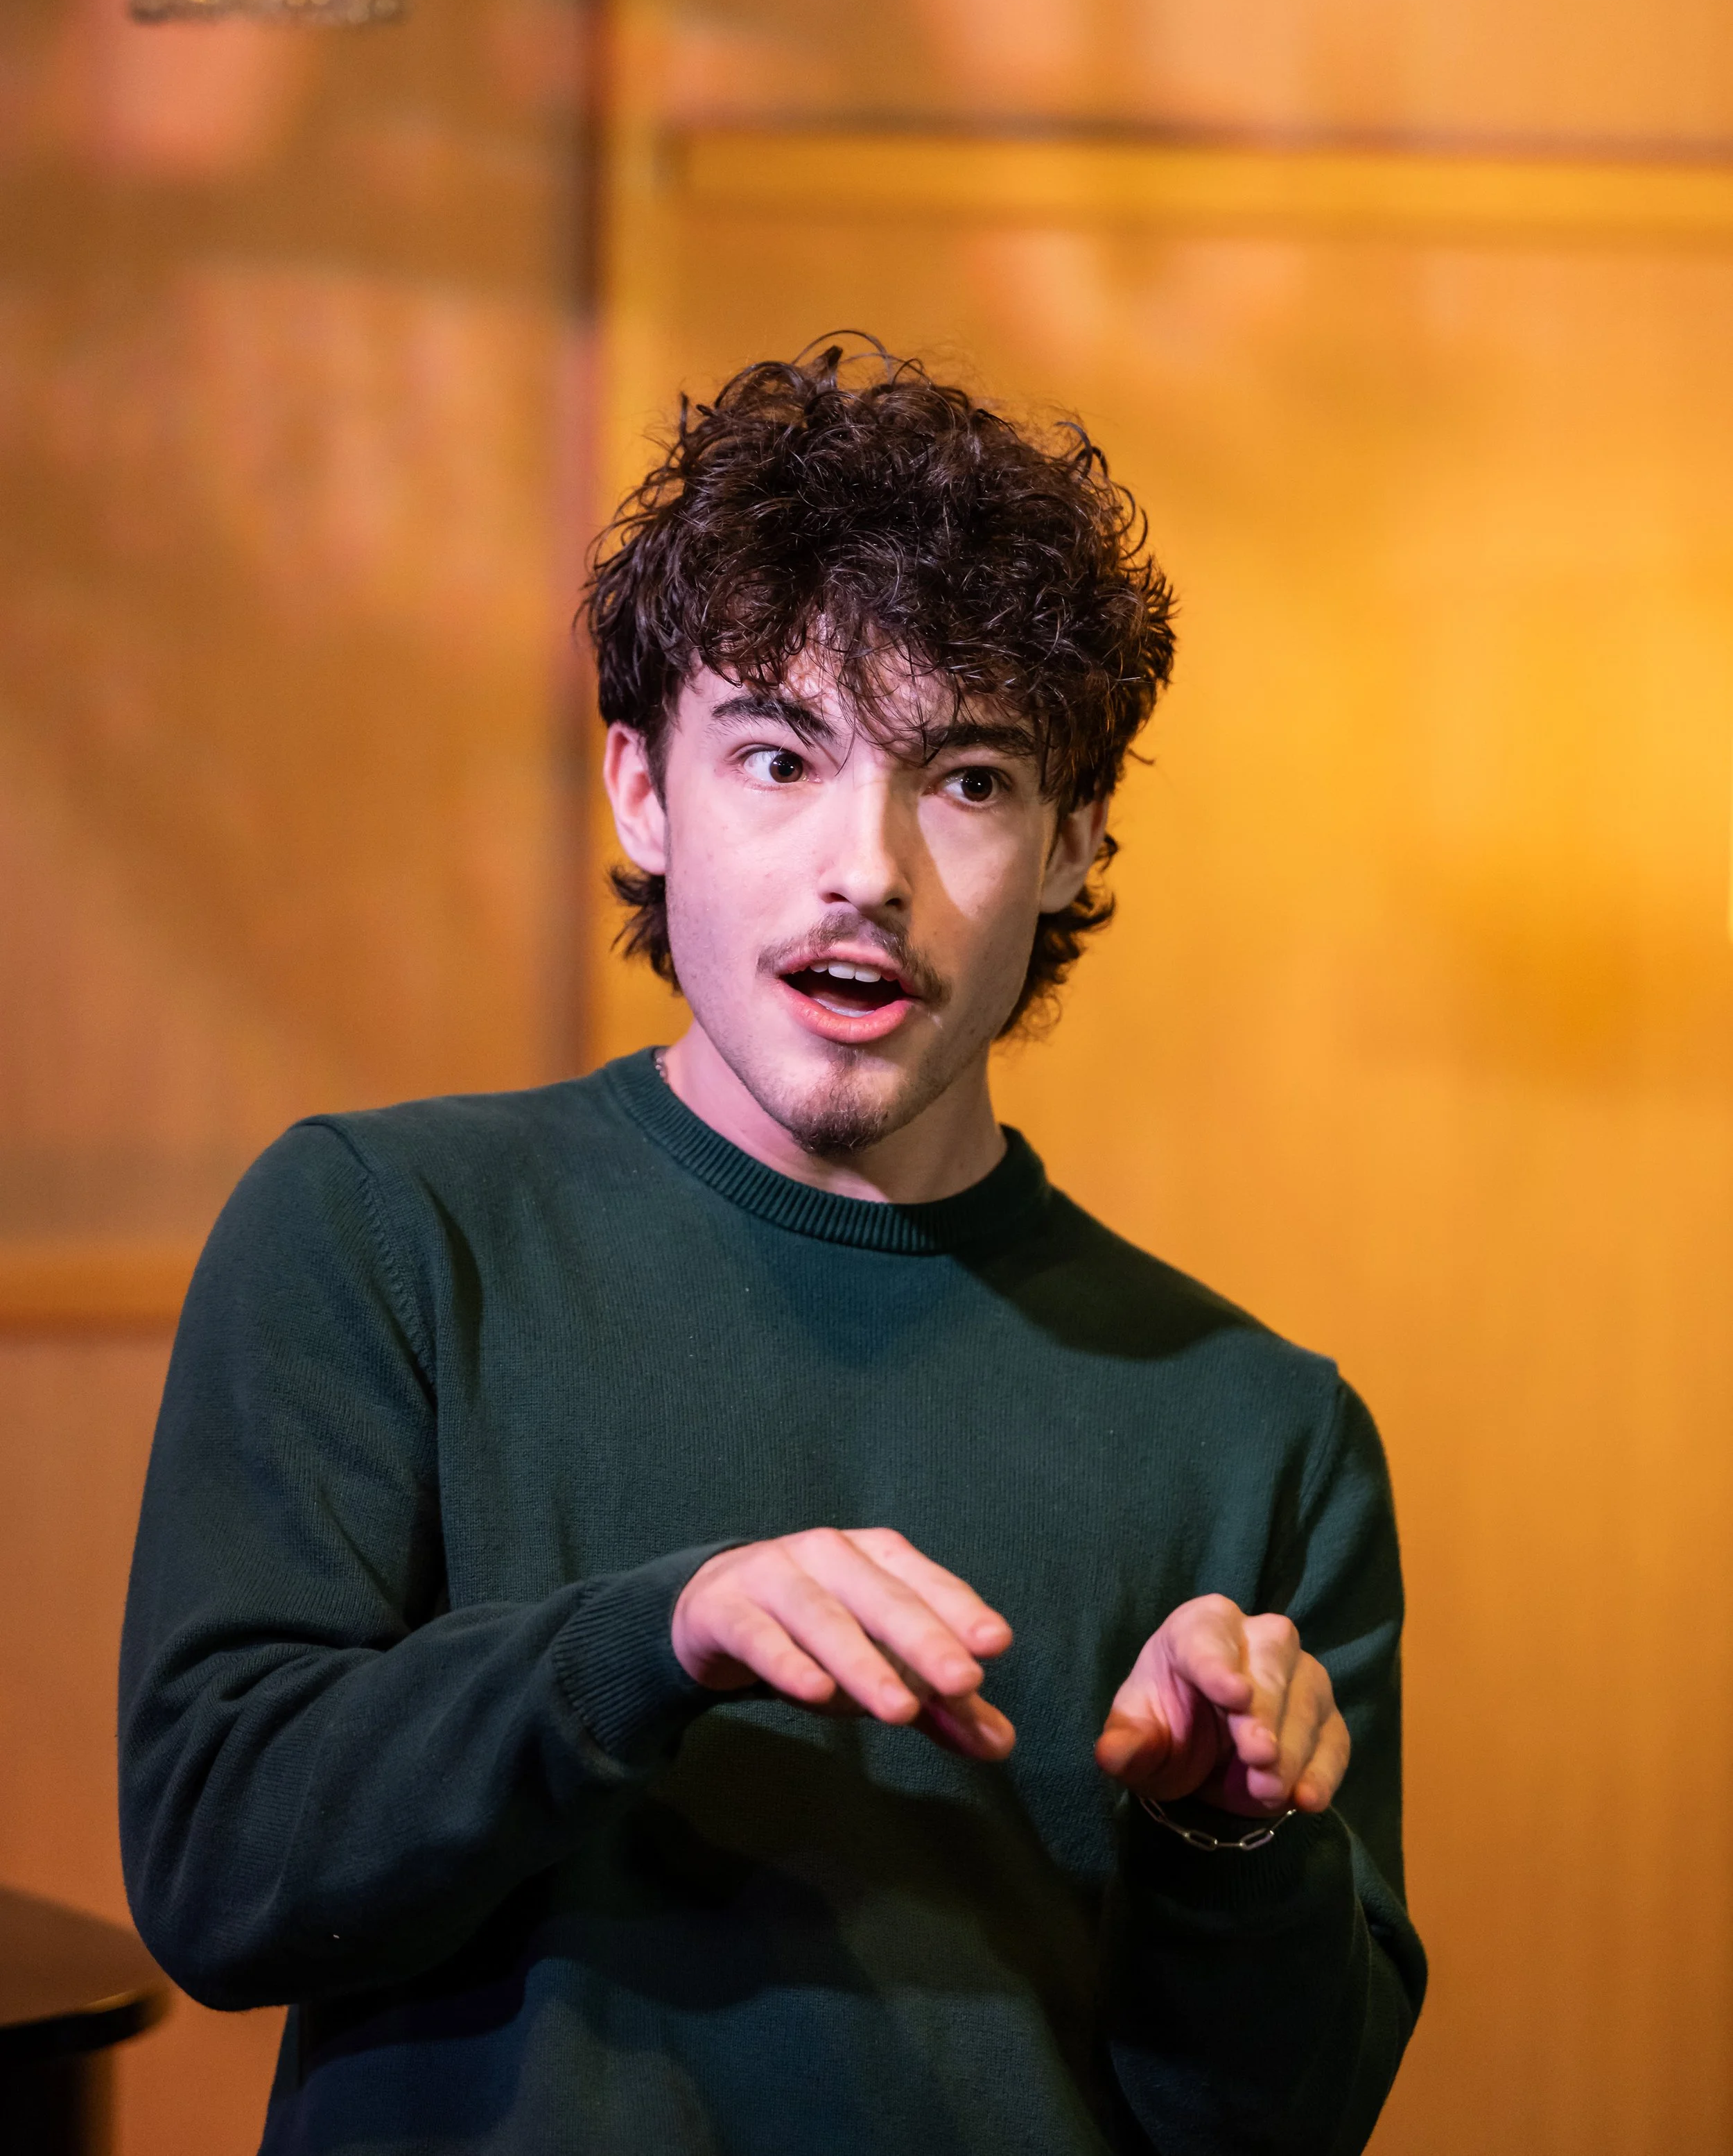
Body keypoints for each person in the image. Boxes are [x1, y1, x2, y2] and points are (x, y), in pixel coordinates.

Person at [119, 344, 1425, 2156]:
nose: (864, 866)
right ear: (644, 795)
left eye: (963, 778)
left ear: (1071, 847)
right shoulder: (380, 1232)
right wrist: (653, 1631)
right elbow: (219, 1874)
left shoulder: (1254, 1424)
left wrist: (1223, 1841)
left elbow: (1269, 2127)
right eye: (779, 754)